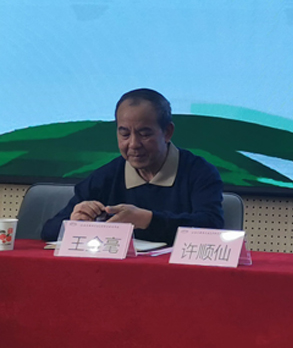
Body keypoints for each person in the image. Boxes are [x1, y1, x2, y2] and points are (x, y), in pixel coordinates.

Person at [41, 89, 224, 243]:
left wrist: (147, 220)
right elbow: (49, 230)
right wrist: (74, 223)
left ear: (167, 132)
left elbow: (212, 226)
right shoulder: (106, 176)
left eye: (144, 134)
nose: (134, 144)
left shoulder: (199, 172)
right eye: (125, 134)